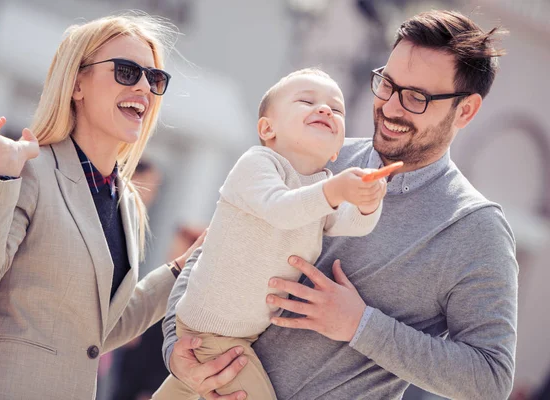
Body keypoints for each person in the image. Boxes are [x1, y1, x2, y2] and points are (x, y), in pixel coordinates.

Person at [162, 10, 518, 400]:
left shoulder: (474, 228)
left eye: (417, 97)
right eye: (387, 84)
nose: (391, 107)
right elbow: (211, 252)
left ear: (464, 110)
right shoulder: (315, 156)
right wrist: (174, 352)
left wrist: (359, 325)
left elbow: (491, 379)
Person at [0, 14, 203, 400]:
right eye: (126, 71)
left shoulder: (129, 203)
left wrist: (180, 268)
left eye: (153, 79)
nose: (143, 87)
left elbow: (97, 335)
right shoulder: (28, 172)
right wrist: (2, 179)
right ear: (78, 83)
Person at [153, 68, 387, 399]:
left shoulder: (319, 188)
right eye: (307, 101)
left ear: (337, 149)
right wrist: (335, 189)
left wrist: (367, 203)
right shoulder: (257, 164)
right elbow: (281, 209)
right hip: (210, 329)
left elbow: (353, 224)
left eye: (336, 109)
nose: (324, 109)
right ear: (267, 128)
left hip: (241, 334)